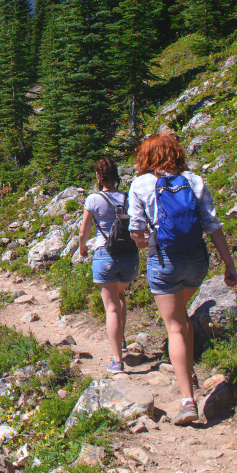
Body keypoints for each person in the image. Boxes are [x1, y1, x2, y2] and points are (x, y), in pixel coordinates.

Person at [128, 133, 237, 426]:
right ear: (176, 153)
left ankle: (188, 401)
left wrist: (146, 242)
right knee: (183, 318)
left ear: (147, 156)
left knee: (175, 327)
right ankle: (186, 367)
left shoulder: (140, 184)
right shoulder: (195, 181)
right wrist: (229, 265)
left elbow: (136, 232)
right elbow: (212, 225)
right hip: (197, 262)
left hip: (164, 262)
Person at [79, 158, 140, 373]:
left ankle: (117, 360)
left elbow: (84, 231)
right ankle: (121, 338)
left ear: (98, 175)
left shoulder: (93, 199)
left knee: (111, 306)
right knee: (120, 296)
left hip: (106, 255)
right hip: (130, 256)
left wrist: (82, 247)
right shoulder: (126, 197)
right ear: (116, 175)